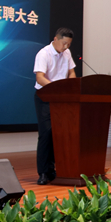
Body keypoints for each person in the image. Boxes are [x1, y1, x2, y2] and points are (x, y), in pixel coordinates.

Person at [33, 28, 76, 185]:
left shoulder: (67, 53)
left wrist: (71, 85)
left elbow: (71, 72)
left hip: (61, 99)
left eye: (69, 44)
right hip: (45, 97)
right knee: (46, 134)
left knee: (58, 134)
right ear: (55, 39)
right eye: (64, 43)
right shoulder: (43, 53)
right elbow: (40, 78)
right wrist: (56, 89)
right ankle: (44, 172)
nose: (66, 47)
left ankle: (54, 170)